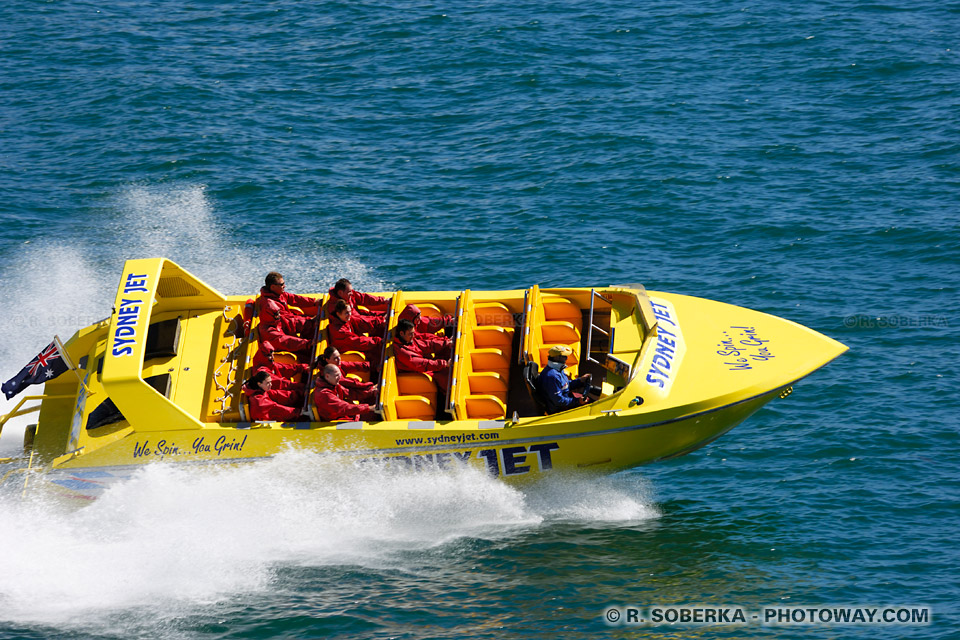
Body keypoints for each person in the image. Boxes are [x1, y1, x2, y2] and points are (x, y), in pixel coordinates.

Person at [258, 272, 317, 352]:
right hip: (285, 348)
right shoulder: (269, 330)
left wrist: (314, 302)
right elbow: (285, 340)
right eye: (282, 284)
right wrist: (308, 343)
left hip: (290, 336)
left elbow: (294, 298)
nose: (284, 286)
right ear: (273, 287)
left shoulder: (278, 295)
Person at [394, 318, 452, 392]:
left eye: (413, 333)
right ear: (401, 333)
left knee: (446, 351)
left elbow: (426, 345)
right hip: (416, 374)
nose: (413, 336)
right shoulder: (401, 352)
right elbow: (421, 364)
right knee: (444, 376)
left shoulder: (408, 340)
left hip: (422, 367)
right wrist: (445, 364)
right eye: (410, 334)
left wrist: (446, 343)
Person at [536, 345, 595, 414]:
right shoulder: (552, 376)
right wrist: (577, 401)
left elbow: (565, 385)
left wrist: (580, 380)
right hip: (560, 408)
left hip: (566, 398)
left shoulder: (557, 369)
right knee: (592, 406)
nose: (566, 358)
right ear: (557, 358)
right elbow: (558, 400)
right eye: (564, 356)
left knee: (589, 400)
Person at [328, 299, 384, 371]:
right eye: (346, 313)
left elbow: (362, 322)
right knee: (374, 353)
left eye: (350, 312)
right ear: (338, 314)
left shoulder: (345, 319)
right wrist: (377, 341)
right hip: (346, 349)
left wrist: (380, 321)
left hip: (352, 345)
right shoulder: (338, 331)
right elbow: (355, 341)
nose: (350, 315)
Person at [313, 364, 379, 422]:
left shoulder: (333, 384)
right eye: (337, 376)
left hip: (341, 414)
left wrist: (371, 391)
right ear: (327, 376)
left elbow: (350, 393)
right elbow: (344, 407)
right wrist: (369, 408)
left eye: (339, 375)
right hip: (333, 420)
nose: (339, 378)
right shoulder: (324, 394)